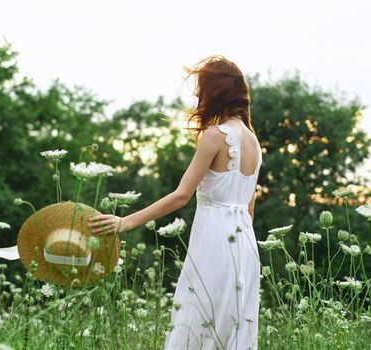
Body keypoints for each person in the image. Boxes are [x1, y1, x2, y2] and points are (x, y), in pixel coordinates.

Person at [88, 55, 262, 350]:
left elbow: (182, 195)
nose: (197, 95)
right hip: (245, 245)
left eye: (201, 89)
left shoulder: (215, 136)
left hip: (216, 241)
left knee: (196, 321)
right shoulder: (254, 142)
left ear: (215, 93)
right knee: (230, 329)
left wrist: (126, 221)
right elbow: (249, 207)